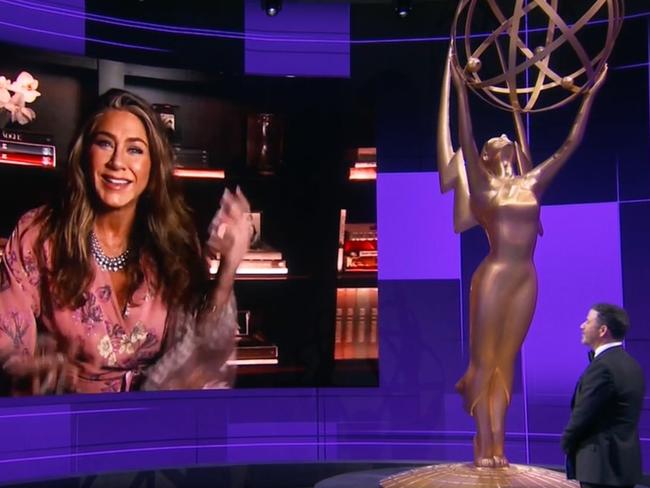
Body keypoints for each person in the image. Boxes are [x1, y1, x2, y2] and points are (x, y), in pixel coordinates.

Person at [0, 89, 252, 394]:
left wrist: (228, 269)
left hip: (154, 419)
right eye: (105, 144)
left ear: (153, 165)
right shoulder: (39, 234)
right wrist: (26, 371)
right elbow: (8, 345)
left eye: (135, 150)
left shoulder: (175, 240)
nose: (117, 162)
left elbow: (199, 352)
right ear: (84, 155)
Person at [437, 43, 607, 467]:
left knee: (506, 362)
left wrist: (589, 94)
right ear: (489, 158)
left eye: (506, 137)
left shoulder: (532, 184)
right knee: (485, 360)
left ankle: (499, 445)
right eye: (495, 141)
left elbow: (571, 143)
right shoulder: (483, 188)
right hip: (493, 276)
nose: (502, 138)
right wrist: (460, 86)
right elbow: (466, 135)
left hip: (526, 278)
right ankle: (483, 442)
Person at [561, 304, 645, 488]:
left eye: (587, 321)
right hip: (623, 467)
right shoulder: (631, 365)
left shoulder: (603, 367)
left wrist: (566, 442)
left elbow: (583, 415)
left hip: (600, 468)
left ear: (602, 330)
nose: (582, 326)